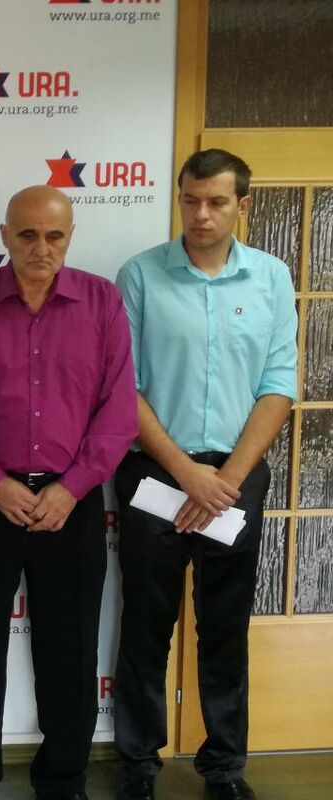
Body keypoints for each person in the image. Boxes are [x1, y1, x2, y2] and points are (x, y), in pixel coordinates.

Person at [0, 186, 137, 800]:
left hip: (70, 504)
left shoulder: (101, 300)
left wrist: (72, 489)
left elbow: (118, 411)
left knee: (70, 651)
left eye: (54, 236)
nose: (40, 248)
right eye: (26, 235)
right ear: (4, 235)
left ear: (70, 237)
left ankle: (64, 782)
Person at [112, 150, 297, 800]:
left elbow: (278, 386)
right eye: (190, 200)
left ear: (242, 205)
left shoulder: (271, 277)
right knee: (146, 622)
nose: (201, 214)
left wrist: (223, 481)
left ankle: (223, 768)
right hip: (155, 473)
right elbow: (124, 388)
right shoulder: (140, 275)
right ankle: (138, 764)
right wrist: (187, 473)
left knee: (224, 625)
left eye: (216, 202)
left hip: (236, 478)